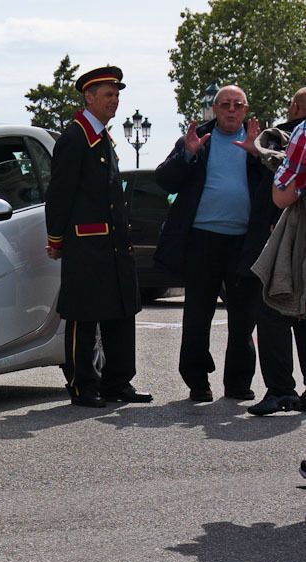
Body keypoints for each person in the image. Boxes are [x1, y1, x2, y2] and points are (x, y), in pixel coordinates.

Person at [45, 65, 152, 408]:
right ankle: (82, 384)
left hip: (113, 245)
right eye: (108, 95)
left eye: (117, 94)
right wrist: (56, 239)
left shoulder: (103, 136)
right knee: (84, 315)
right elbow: (59, 195)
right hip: (87, 243)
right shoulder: (74, 139)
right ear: (88, 98)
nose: (115, 101)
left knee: (121, 311)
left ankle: (118, 382)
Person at [153, 85, 268, 402]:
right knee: (197, 316)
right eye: (225, 105)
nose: (232, 110)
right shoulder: (196, 139)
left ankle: (238, 384)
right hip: (203, 239)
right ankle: (197, 381)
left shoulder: (260, 142)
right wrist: (187, 154)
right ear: (215, 109)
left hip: (245, 242)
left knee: (244, 317)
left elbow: (279, 185)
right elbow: (164, 179)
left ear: (245, 110)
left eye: (238, 105)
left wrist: (259, 158)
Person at [243, 88, 306, 415]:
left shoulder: (297, 134)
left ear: (293, 106)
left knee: (273, 305)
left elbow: (282, 195)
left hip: (295, 238)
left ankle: (281, 391)